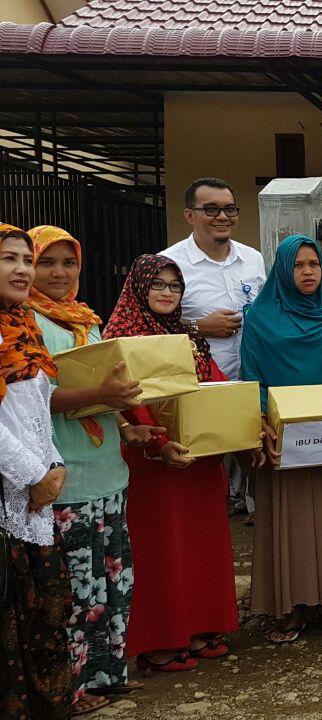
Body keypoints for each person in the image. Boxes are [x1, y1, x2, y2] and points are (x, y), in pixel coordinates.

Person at [27, 226, 153, 710]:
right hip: (66, 475)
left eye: (69, 263)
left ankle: (107, 673)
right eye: (46, 262)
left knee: (111, 579)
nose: (59, 273)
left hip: (107, 471)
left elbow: (105, 388)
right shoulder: (23, 325)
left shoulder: (85, 320)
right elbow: (32, 399)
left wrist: (126, 426)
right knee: (76, 589)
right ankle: (72, 687)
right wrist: (101, 395)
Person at [102, 254, 240, 675]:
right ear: (139, 288)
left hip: (200, 453)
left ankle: (199, 626)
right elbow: (127, 399)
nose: (167, 292)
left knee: (200, 542)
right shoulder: (119, 337)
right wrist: (161, 442)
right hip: (152, 459)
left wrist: (238, 423)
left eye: (174, 285)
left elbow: (214, 381)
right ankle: (160, 639)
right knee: (161, 546)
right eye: (157, 284)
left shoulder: (187, 334)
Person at [242, 235, 322, 643]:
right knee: (287, 520)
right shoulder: (260, 319)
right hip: (284, 437)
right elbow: (252, 377)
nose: (308, 272)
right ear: (283, 270)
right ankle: (289, 607)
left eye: (314, 264)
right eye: (298, 265)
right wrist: (264, 421)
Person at [160, 177, 266, 522]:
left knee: (258, 470)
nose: (222, 217)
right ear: (189, 215)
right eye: (211, 209)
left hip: (250, 384)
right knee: (201, 484)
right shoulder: (169, 264)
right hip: (198, 391)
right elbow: (150, 327)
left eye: (229, 209)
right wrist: (198, 328)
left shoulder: (252, 259)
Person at [0, 224, 73, 720]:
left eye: (27, 259)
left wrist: (54, 465)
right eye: (10, 258)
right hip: (11, 497)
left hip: (35, 497)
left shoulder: (24, 326)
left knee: (42, 618)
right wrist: (34, 474)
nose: (23, 269)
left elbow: (36, 413)